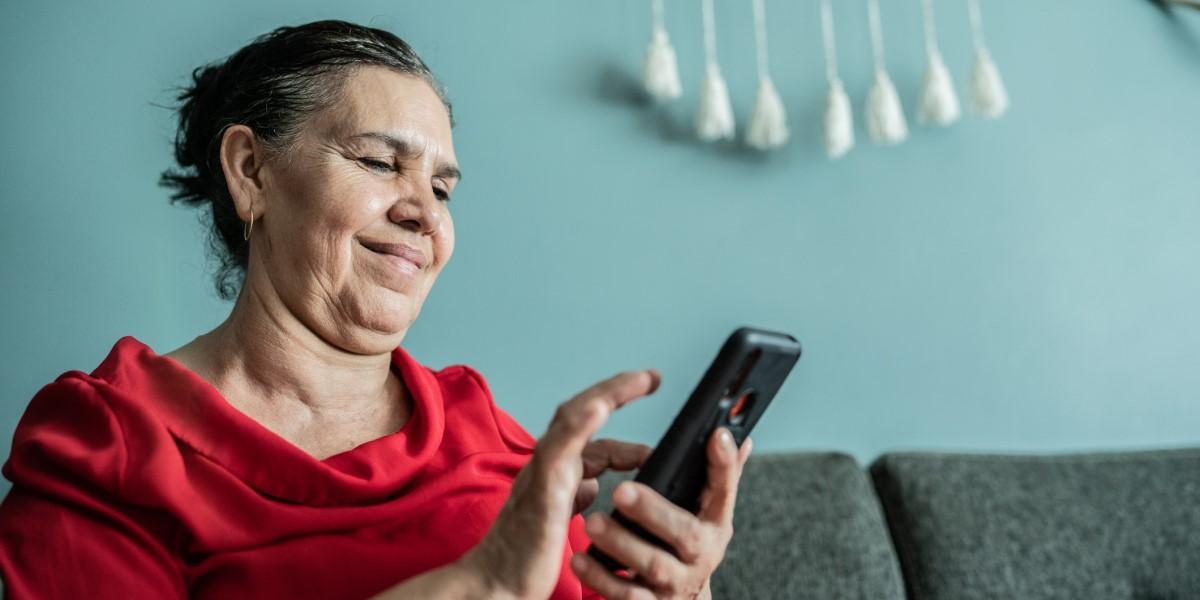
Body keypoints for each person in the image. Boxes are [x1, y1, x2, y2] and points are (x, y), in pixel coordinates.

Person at [0, 19, 752, 600]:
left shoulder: (483, 425)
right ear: (251, 171)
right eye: (379, 162)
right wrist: (481, 582)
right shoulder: (108, 442)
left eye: (444, 188)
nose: (426, 213)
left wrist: (681, 585)